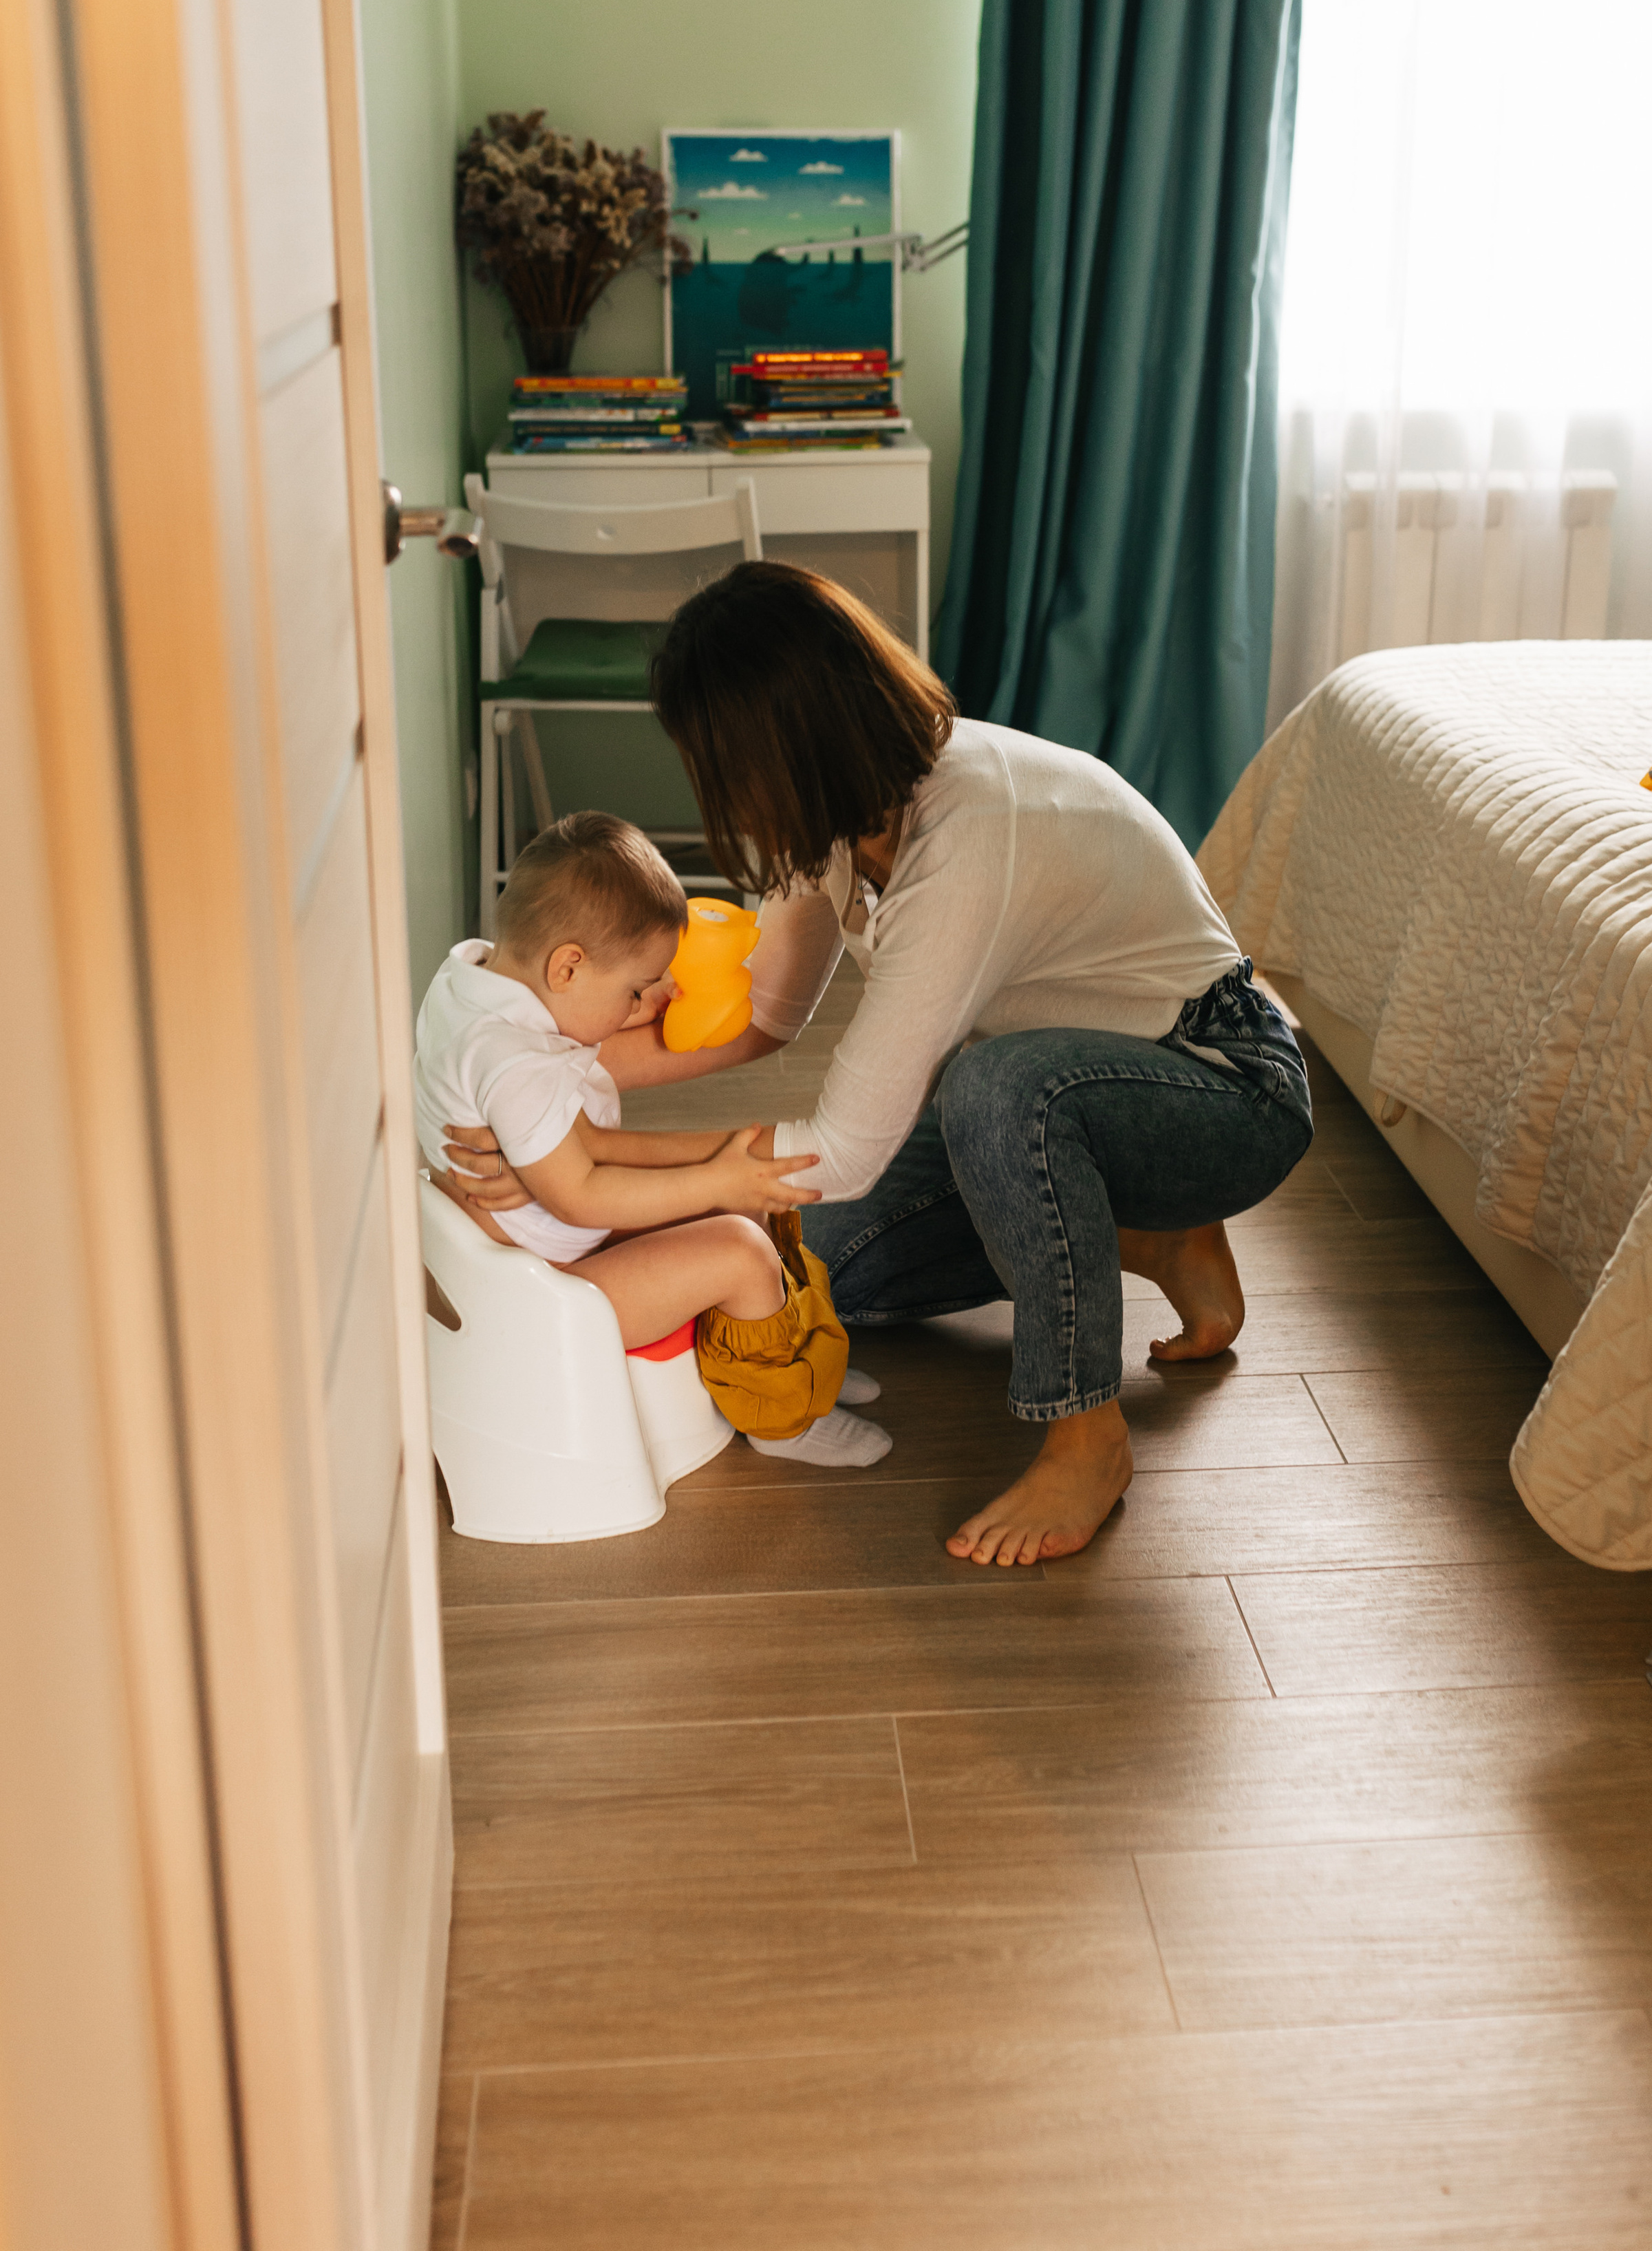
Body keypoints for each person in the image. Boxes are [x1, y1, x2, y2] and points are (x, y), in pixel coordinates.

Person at [450, 568, 1312, 1560]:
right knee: (811, 1273)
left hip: (1222, 1085)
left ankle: (1086, 1434)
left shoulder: (971, 836)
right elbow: (764, 1017)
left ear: (782, 745)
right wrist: (535, 1095)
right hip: (1077, 1102)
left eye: (716, 758)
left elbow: (849, 1152)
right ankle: (1151, 1238)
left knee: (986, 1094)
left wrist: (608, 1169)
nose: (712, 788)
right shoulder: (841, 820)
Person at [419, 809, 888, 1468]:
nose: (650, 1002)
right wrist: (715, 1178)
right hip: (549, 1289)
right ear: (568, 968)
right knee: (740, 1250)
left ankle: (790, 1355)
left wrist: (721, 1162)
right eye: (637, 990)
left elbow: (590, 1146)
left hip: (540, 1251)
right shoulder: (516, 1065)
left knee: (742, 1198)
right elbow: (581, 1194)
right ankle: (783, 1419)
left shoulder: (474, 985)